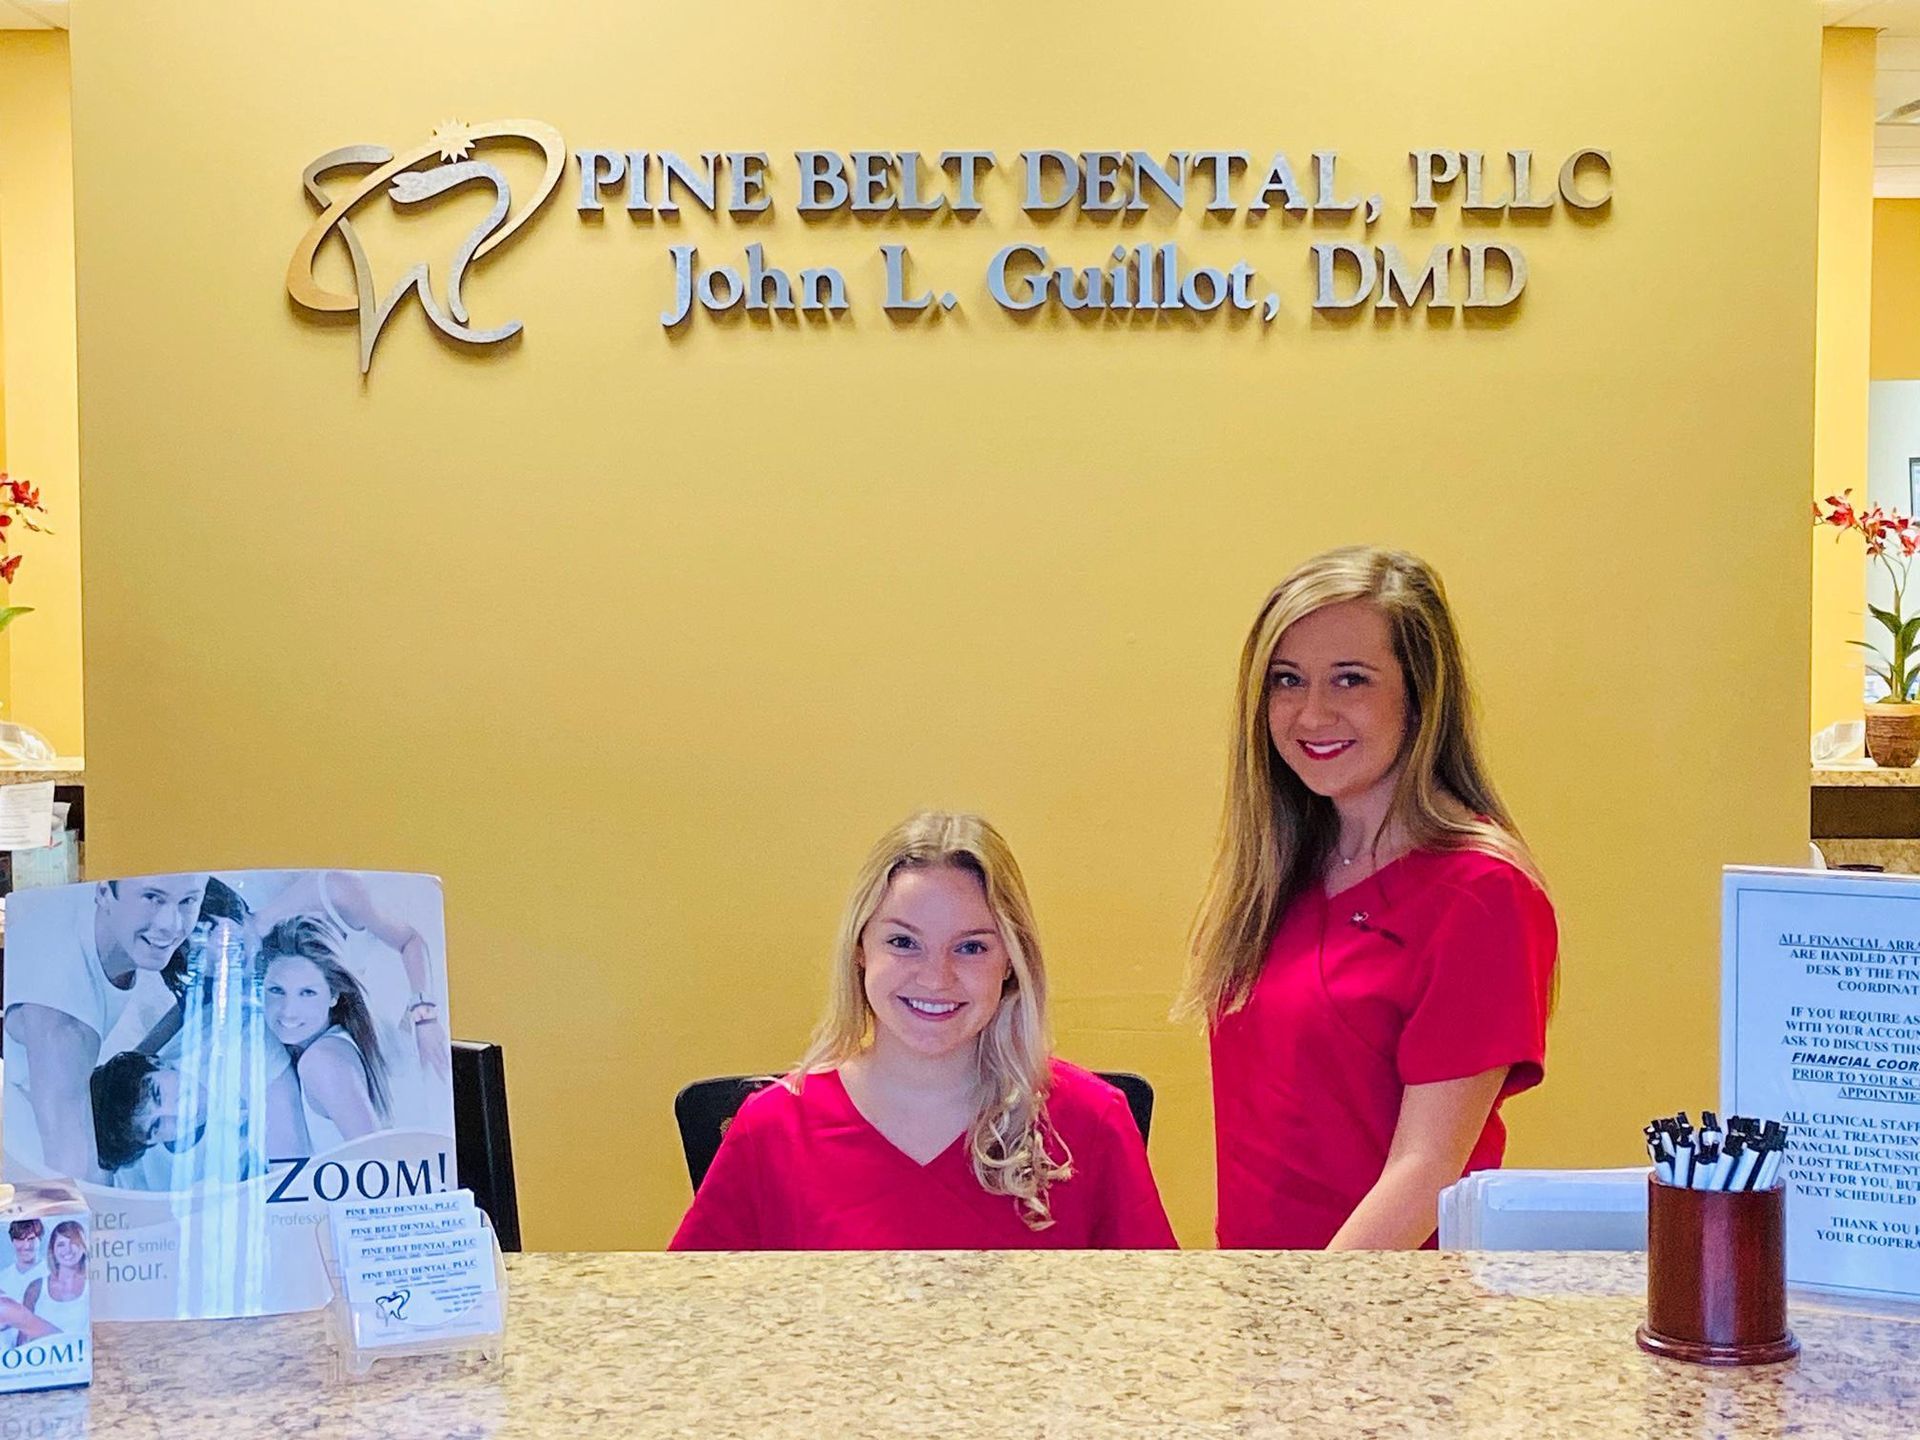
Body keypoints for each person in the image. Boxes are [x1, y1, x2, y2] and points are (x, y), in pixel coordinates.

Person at [1182, 546, 1558, 1250]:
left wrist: (1320, 1312)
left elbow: (1428, 1170)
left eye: (1350, 680)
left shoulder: (1480, 893)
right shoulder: (1280, 869)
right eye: (1286, 681)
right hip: (1268, 1303)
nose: (1311, 713)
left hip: (1389, 1318)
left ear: (1421, 697)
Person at [671, 811, 1177, 1250]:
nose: (937, 977)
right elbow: (697, 1326)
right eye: (903, 942)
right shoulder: (773, 1129)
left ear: (1010, 963)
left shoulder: (1093, 1122)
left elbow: (1156, 1329)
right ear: (860, 950)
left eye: (972, 947)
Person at [3, 874, 211, 1182]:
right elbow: (71, 1184)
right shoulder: (67, 1030)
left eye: (188, 900)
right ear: (103, 891)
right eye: (152, 897)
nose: (171, 923)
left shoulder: (102, 941)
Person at [258, 916, 391, 1153]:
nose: (288, 1011)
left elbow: (378, 1161)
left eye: (307, 993)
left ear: (334, 995)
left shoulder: (321, 1060)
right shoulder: (333, 1044)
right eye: (277, 990)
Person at [0, 1220, 45, 1348]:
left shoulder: (50, 1275)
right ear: (12, 1241)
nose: (26, 1246)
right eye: (20, 1239)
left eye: (31, 1239)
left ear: (39, 1239)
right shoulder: (3, 1278)